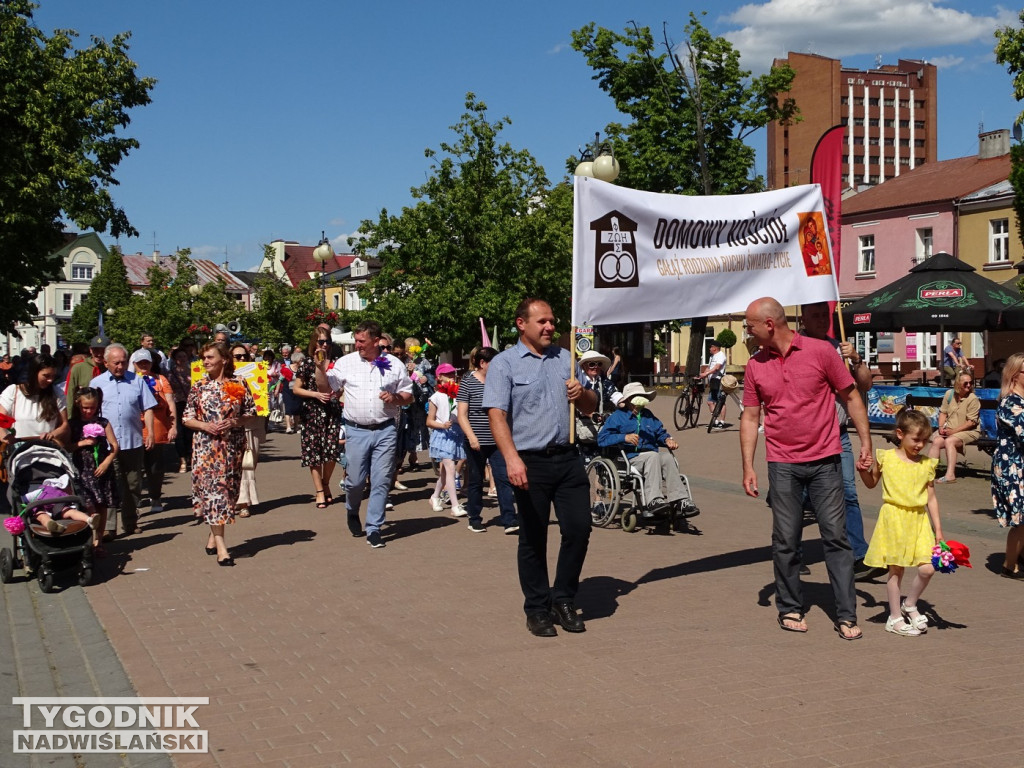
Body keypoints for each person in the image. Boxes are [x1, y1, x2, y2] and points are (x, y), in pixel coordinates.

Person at [739, 297, 871, 640]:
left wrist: (866, 442)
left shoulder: (820, 352)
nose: (746, 331)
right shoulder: (755, 365)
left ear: (769, 324)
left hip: (826, 460)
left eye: (749, 325)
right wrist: (748, 466)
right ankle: (790, 607)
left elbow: (851, 395)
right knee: (785, 539)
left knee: (836, 538)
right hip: (782, 464)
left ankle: (846, 613)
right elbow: (751, 417)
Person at [484, 298, 598, 637]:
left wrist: (582, 394)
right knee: (533, 538)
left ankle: (563, 598)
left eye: (552, 321)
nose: (550, 327)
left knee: (579, 529)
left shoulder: (567, 359)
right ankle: (537, 608)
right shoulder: (504, 364)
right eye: (542, 322)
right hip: (529, 461)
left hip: (567, 458)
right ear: (522, 324)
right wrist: (511, 458)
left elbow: (591, 407)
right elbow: (497, 415)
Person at [800, 302, 882, 580]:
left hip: (838, 434)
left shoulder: (840, 347)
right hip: (804, 437)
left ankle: (859, 555)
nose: (823, 319)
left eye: (826, 315)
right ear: (804, 318)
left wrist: (856, 360)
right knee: (797, 497)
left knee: (847, 493)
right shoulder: (795, 347)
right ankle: (791, 552)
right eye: (816, 315)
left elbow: (865, 385)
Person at [315, 320, 413, 548]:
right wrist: (321, 369)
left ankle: (374, 527)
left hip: (385, 429)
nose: (357, 345)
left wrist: (395, 398)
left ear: (376, 341)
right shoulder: (346, 362)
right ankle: (352, 509)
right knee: (356, 481)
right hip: (356, 430)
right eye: (356, 340)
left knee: (381, 481)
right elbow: (325, 388)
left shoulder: (393, 364)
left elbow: (408, 394)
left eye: (361, 341)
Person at [859, 409, 941, 636]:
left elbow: (931, 498)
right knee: (896, 570)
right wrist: (863, 471)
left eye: (924, 440)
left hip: (918, 519)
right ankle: (894, 617)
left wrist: (939, 529)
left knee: (928, 568)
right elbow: (870, 482)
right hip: (894, 517)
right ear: (900, 434)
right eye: (916, 439)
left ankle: (910, 604)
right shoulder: (886, 457)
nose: (920, 445)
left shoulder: (926, 464)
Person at [181, 342, 257, 566]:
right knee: (216, 494)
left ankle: (214, 535)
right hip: (206, 448)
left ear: (224, 359)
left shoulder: (239, 382)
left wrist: (235, 421)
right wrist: (205, 426)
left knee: (230, 494)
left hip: (232, 447)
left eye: (210, 357)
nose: (205, 362)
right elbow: (187, 417)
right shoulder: (200, 386)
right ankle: (223, 549)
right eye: (204, 358)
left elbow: (250, 411)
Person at [90, 343, 157, 538]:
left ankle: (130, 522)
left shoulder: (137, 381)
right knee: (110, 485)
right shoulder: (97, 383)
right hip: (107, 445)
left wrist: (150, 433)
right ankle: (109, 527)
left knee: (133, 484)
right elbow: (90, 412)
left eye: (123, 362)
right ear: (106, 362)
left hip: (132, 441)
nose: (120, 366)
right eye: (116, 363)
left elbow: (149, 408)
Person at [597, 382, 685, 514]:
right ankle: (653, 500)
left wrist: (667, 440)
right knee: (653, 456)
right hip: (629, 459)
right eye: (635, 397)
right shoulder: (617, 417)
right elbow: (602, 439)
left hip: (650, 457)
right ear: (627, 400)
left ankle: (680, 500)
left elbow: (659, 432)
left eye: (641, 396)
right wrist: (624, 437)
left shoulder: (648, 415)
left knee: (667, 457)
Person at [457, 347, 518, 534]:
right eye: (495, 363)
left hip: (498, 440)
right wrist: (471, 436)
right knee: (476, 480)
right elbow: (461, 414)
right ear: (482, 363)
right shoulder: (468, 381)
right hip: (476, 440)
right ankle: (474, 518)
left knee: (503, 478)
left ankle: (509, 519)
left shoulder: (500, 382)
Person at [294, 330, 344, 508]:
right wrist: (315, 394)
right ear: (314, 343)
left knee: (331, 451)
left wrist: (338, 393)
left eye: (327, 341)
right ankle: (320, 491)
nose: (324, 344)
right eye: (321, 341)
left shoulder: (337, 363)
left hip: (332, 410)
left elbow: (342, 386)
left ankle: (325, 482)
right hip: (312, 411)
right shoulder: (307, 363)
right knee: (313, 452)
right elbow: (297, 389)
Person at [68, 387, 119, 554]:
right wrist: (81, 443)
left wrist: (106, 462)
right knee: (88, 504)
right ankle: (89, 538)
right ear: (78, 405)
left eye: (92, 407)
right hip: (82, 470)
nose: (89, 411)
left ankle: (99, 540)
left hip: (101, 470)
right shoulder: (73, 424)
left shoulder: (103, 422)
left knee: (102, 504)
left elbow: (114, 445)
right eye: (85, 407)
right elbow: (66, 447)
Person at [131, 348, 176, 514]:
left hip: (157, 429)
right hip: (135, 430)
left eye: (146, 362)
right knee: (134, 470)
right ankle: (133, 502)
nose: (143, 365)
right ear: (134, 364)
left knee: (155, 467)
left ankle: (155, 496)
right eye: (140, 362)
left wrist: (173, 426)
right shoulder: (129, 380)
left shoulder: (161, 380)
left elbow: (171, 404)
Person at [992, 352, 1024, 578]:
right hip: (1011, 467)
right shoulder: (1010, 402)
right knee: (1021, 519)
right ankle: (1009, 565)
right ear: (1015, 374)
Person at [0, 353, 69, 445]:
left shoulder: (56, 393)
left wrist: (52, 434)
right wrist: (5, 435)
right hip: (19, 448)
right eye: (46, 376)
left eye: (53, 376)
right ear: (34, 373)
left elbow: (64, 424)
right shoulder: (13, 392)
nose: (50, 380)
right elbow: (1, 420)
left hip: (46, 448)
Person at [427, 363, 466, 518]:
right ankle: (455, 505)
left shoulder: (459, 393)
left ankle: (435, 496)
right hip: (443, 435)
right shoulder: (435, 397)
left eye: (452, 374)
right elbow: (429, 421)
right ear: (439, 377)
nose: (451, 377)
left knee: (445, 471)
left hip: (457, 434)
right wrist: (442, 425)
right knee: (449, 468)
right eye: (447, 374)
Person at [927, 371, 981, 484]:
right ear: (957, 384)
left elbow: (971, 422)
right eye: (965, 383)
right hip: (950, 429)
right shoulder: (949, 394)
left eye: (971, 383)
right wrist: (941, 427)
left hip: (969, 431)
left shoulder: (973, 398)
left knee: (950, 441)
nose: (969, 385)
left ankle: (950, 475)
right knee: (936, 441)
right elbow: (943, 412)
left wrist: (953, 432)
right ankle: (928, 473)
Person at [230, 344, 264, 516]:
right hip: (233, 427)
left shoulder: (256, 372)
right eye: (238, 356)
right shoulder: (226, 377)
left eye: (245, 356)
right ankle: (242, 502)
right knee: (236, 464)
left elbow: (261, 398)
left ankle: (242, 498)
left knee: (250, 464)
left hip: (253, 424)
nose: (242, 359)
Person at [168, 347, 194, 473]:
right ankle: (182, 459)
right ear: (175, 359)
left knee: (190, 432)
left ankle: (190, 456)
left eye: (184, 356)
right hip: (177, 404)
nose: (182, 359)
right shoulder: (170, 373)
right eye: (179, 357)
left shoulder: (194, 371)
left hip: (191, 404)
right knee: (179, 432)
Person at [66, 334, 108, 412]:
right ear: (90, 350)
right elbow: (69, 395)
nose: (99, 354)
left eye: (103, 351)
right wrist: (69, 418)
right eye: (96, 350)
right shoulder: (78, 368)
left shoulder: (110, 369)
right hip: (83, 415)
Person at [699, 340, 728, 428]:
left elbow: (717, 368)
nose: (709, 348)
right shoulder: (712, 357)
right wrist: (702, 374)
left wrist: (706, 374)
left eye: (711, 347)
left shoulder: (721, 356)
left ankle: (722, 422)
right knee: (710, 402)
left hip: (719, 380)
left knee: (721, 402)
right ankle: (714, 421)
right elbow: (709, 367)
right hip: (713, 381)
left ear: (715, 348)